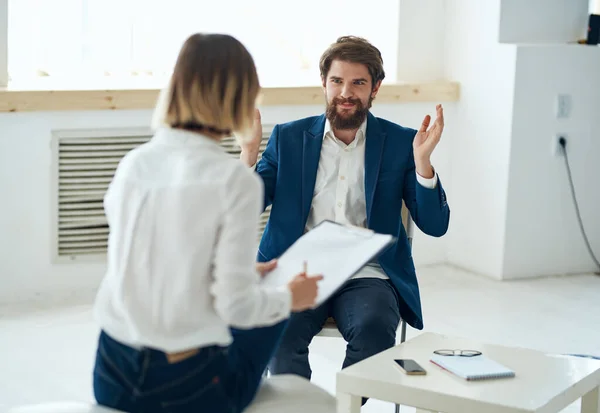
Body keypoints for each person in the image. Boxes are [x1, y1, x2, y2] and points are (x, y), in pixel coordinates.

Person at [92, 33, 323, 413]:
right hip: (181, 386)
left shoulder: (134, 163)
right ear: (242, 97)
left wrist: (243, 272)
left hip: (111, 372)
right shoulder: (234, 181)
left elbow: (150, 263)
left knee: (259, 292)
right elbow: (237, 309)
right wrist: (290, 299)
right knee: (273, 308)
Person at [239, 36, 450, 382]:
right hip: (297, 269)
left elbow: (435, 224)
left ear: (375, 88)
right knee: (278, 330)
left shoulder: (401, 143)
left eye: (358, 83)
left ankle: (345, 407)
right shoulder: (288, 139)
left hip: (367, 273)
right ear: (324, 82)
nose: (345, 92)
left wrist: (423, 165)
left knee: (375, 327)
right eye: (337, 81)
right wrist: (249, 155)